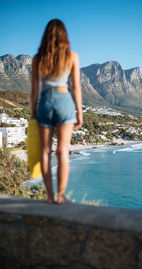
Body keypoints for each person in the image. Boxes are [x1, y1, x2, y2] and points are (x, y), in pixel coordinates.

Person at [31, 19, 83, 204]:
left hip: (45, 101)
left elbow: (34, 92)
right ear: (64, 35)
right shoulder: (72, 56)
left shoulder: (38, 58)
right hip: (64, 100)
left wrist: (32, 113)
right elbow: (76, 87)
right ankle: (61, 196)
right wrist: (80, 113)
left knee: (45, 151)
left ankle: (49, 196)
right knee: (63, 151)